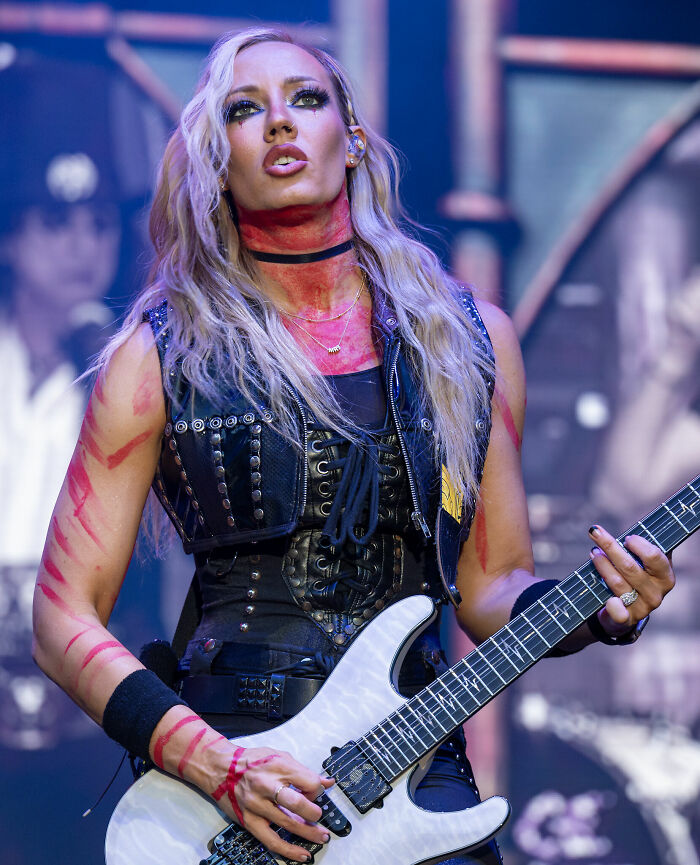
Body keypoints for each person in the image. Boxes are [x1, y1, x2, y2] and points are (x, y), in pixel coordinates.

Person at [32, 28, 676, 865]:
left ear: (355, 138)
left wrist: (602, 608)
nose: (278, 124)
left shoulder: (472, 343)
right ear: (214, 160)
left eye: (305, 99)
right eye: (243, 109)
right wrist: (211, 763)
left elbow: (492, 589)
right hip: (227, 788)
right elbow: (59, 615)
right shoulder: (157, 356)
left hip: (412, 771)